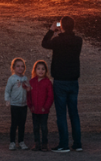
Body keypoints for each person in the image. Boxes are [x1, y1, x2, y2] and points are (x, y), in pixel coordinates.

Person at [42, 16, 83, 153]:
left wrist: (51, 30)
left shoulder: (58, 41)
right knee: (74, 114)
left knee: (61, 114)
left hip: (60, 81)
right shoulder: (78, 41)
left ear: (62, 26)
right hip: (73, 81)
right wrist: (61, 31)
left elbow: (44, 43)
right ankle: (77, 144)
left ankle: (63, 144)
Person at [27, 60, 54, 151]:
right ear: (35, 70)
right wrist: (30, 106)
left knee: (43, 127)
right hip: (34, 110)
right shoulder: (31, 81)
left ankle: (45, 144)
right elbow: (29, 95)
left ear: (46, 71)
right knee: (35, 127)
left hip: (43, 110)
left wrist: (46, 107)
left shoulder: (47, 82)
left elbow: (50, 96)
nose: (40, 71)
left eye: (43, 69)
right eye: (38, 68)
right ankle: (37, 143)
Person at [5, 58, 29, 150]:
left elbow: (28, 89)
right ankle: (12, 142)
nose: (20, 68)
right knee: (14, 124)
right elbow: (7, 90)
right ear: (14, 67)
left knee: (22, 124)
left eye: (22, 66)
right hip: (15, 105)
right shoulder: (11, 79)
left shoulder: (25, 78)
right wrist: (7, 100)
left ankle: (21, 141)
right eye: (18, 66)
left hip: (24, 105)